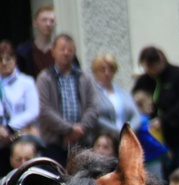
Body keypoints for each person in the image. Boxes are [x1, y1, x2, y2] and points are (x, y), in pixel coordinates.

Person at [133, 46, 179, 175]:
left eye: (153, 66)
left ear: (161, 61)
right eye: (147, 67)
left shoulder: (178, 75)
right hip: (156, 140)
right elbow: (136, 102)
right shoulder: (144, 81)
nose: (150, 70)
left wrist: (164, 120)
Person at [36, 34, 98, 167]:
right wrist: (69, 129)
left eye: (70, 50)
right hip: (55, 145)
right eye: (62, 49)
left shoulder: (85, 77)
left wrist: (80, 129)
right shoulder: (44, 78)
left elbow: (93, 107)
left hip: (82, 144)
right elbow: (44, 109)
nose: (66, 53)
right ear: (53, 52)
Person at [0, 40, 40, 176]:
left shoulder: (26, 82)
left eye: (8, 58)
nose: (4, 63)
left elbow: (32, 111)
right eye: (0, 59)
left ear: (15, 59)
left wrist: (9, 128)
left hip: (21, 138)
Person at [91, 53, 139, 138]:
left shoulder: (123, 93)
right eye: (103, 69)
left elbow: (136, 115)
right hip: (104, 140)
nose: (107, 73)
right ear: (95, 71)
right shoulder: (92, 93)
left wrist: (128, 131)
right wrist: (119, 131)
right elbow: (96, 118)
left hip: (126, 138)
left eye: (111, 69)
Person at [132, 89, 169, 179]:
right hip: (152, 158)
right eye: (149, 105)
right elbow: (150, 140)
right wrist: (164, 150)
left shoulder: (138, 121)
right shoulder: (143, 122)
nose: (152, 108)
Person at [15, 6, 59, 78]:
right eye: (44, 20)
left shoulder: (63, 50)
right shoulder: (23, 52)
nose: (48, 24)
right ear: (35, 22)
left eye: (52, 21)